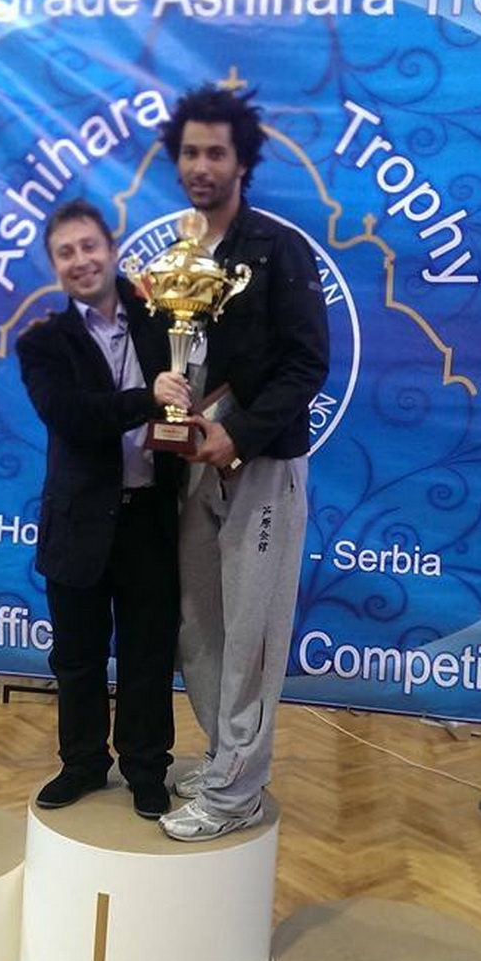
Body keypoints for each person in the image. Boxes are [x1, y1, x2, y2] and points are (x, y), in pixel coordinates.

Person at [158, 84, 330, 841]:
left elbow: (308, 363)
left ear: (242, 162)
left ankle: (238, 795)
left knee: (252, 632)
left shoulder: (279, 249)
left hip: (260, 465)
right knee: (201, 624)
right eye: (190, 152)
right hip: (194, 465)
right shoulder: (184, 256)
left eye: (215, 153)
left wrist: (244, 435)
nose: (201, 165)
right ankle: (224, 757)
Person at [16, 197, 190, 817]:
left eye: (89, 246)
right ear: (55, 267)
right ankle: (84, 764)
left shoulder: (165, 321)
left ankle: (146, 768)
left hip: (149, 521)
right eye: (66, 253)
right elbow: (72, 417)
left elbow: (194, 398)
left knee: (148, 654)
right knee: (76, 657)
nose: (81, 260)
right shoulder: (42, 344)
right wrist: (148, 398)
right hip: (78, 524)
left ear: (112, 250)